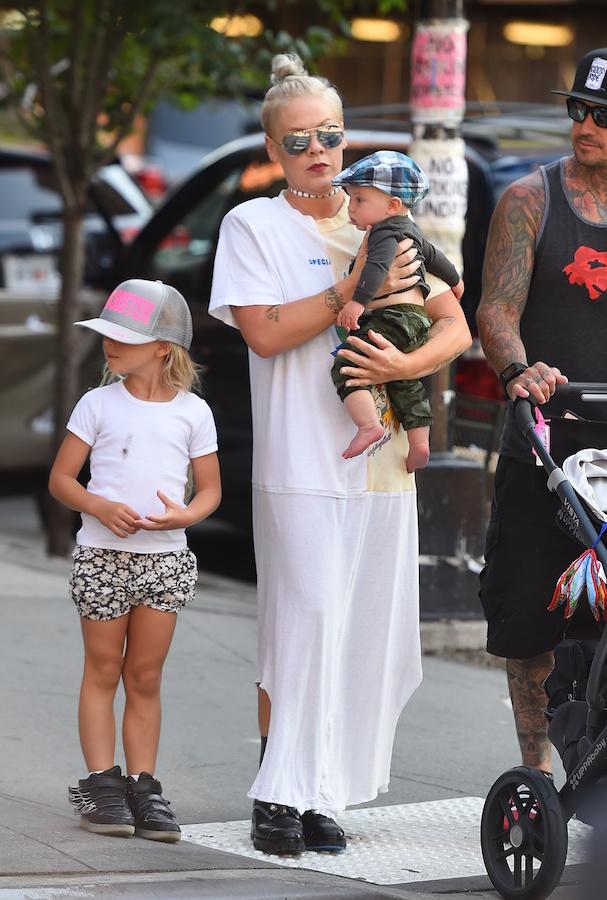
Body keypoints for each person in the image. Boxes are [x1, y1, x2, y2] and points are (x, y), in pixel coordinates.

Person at [209, 52, 471, 856]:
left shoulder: (386, 222)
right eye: (297, 141)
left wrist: (403, 365)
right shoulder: (253, 225)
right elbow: (261, 332)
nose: (317, 151)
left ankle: (326, 789)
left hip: (383, 462)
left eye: (329, 134)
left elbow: (455, 326)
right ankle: (277, 789)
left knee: (361, 632)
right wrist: (347, 285)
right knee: (301, 621)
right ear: (272, 150)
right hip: (298, 460)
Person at [48, 279, 221, 842]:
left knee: (144, 675)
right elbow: (61, 480)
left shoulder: (193, 413)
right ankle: (102, 783)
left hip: (163, 561)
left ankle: (145, 786)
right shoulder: (97, 403)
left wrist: (185, 517)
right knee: (102, 669)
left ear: (162, 348)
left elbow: (210, 492)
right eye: (105, 335)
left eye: (124, 337)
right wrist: (98, 505)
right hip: (103, 557)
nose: (109, 346)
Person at [477, 47, 607, 781]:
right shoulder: (531, 198)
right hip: (546, 444)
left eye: (601, 116)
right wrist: (518, 368)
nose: (583, 125)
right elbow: (495, 308)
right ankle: (534, 777)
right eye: (576, 110)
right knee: (528, 616)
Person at [330, 150, 463, 468]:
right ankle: (419, 443)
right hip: (416, 323)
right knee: (404, 381)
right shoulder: (411, 230)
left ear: (391, 205)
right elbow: (436, 257)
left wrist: (356, 303)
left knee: (348, 366)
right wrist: (456, 283)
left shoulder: (384, 232)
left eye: (359, 200)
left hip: (391, 317)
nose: (351, 209)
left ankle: (368, 426)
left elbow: (375, 268)